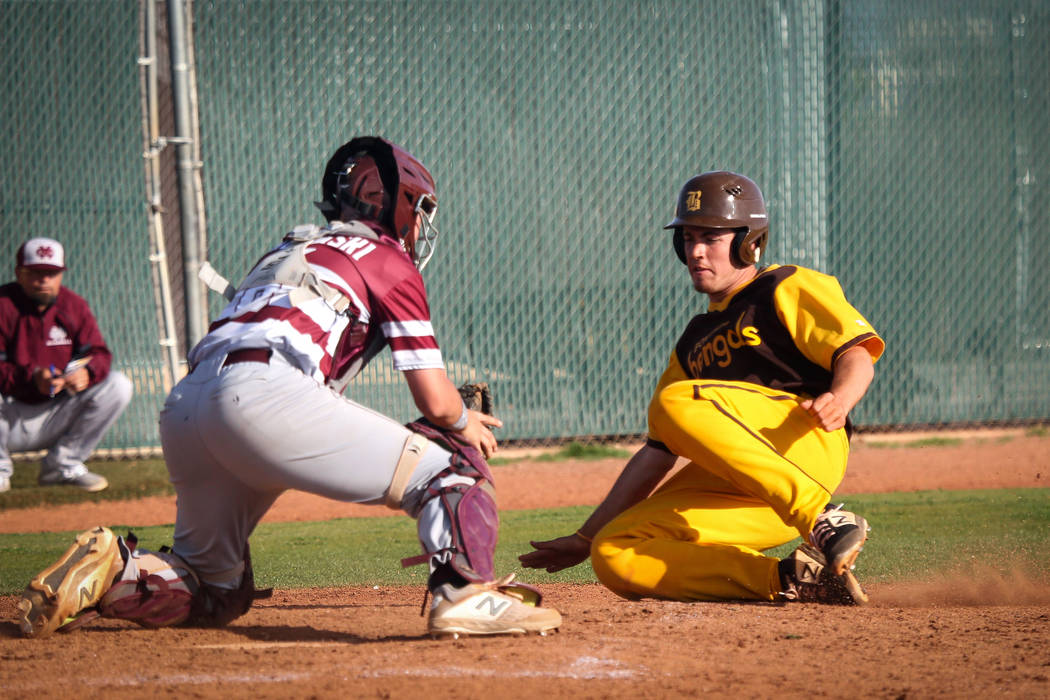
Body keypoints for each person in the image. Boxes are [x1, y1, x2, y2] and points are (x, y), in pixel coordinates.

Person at [17, 136, 561, 639]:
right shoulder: (388, 259)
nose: (420, 227)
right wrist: (464, 424)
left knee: (214, 589)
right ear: (397, 204)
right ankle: (465, 595)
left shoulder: (283, 252)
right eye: (419, 210)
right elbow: (437, 402)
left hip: (187, 407)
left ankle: (116, 566)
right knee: (452, 470)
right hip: (263, 398)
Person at [520, 171, 885, 605]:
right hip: (751, 498)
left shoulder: (783, 286)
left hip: (802, 448)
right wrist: (585, 537)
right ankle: (792, 579)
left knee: (672, 401)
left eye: (711, 238)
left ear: (749, 242)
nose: (695, 251)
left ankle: (823, 520)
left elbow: (857, 353)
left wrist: (841, 400)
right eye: (688, 238)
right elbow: (657, 453)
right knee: (615, 550)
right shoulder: (693, 341)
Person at [0, 237, 133, 493]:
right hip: (9, 414)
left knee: (118, 385)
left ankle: (63, 466)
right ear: (19, 273)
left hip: (56, 411)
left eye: (51, 273)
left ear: (61, 274)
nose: (44, 280)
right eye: (36, 273)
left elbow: (99, 354)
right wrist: (31, 376)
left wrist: (87, 372)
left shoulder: (73, 306)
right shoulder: (3, 305)